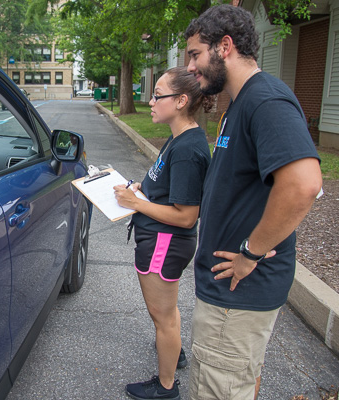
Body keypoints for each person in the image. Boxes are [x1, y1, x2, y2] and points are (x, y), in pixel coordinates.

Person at [183, 5, 323, 399]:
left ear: (224, 47)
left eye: (195, 54)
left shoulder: (266, 100)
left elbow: (303, 185)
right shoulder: (238, 103)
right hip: (228, 296)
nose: (190, 67)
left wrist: (250, 252)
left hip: (238, 294)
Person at [113, 66, 213, 400]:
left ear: (182, 100)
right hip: (161, 240)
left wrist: (136, 204)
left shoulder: (187, 149)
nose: (151, 101)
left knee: (163, 317)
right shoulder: (180, 137)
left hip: (164, 244)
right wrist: (146, 190)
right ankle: (175, 352)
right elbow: (169, 188)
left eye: (158, 95)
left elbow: (186, 216)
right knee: (167, 312)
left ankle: (166, 387)